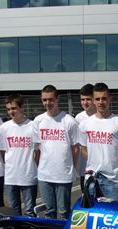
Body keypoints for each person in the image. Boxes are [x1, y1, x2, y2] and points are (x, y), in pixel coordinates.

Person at [79, 82, 118, 201]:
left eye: (104, 98)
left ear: (110, 99)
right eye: (97, 99)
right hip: (92, 179)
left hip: (113, 180)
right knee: (93, 216)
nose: (101, 102)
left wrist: (116, 168)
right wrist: (95, 162)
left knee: (114, 216)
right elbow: (83, 149)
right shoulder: (85, 124)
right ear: (93, 100)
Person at [33, 85, 80, 219]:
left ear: (57, 99)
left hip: (63, 174)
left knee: (64, 212)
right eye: (44, 100)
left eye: (51, 99)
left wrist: (70, 167)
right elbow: (37, 149)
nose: (48, 103)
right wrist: (40, 167)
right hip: (44, 174)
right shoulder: (38, 121)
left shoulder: (69, 121)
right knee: (49, 211)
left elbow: (75, 149)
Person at [0, 94, 39, 217]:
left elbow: (38, 150)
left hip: (28, 175)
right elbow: (2, 151)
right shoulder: (4, 127)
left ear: (22, 108)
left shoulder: (32, 126)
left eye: (14, 108)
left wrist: (33, 165)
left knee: (30, 210)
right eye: (9, 109)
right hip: (11, 176)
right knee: (13, 211)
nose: (11, 112)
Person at [75, 84, 96, 192]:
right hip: (85, 169)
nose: (85, 102)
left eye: (88, 99)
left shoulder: (101, 116)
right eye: (82, 99)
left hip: (102, 169)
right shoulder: (78, 118)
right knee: (88, 202)